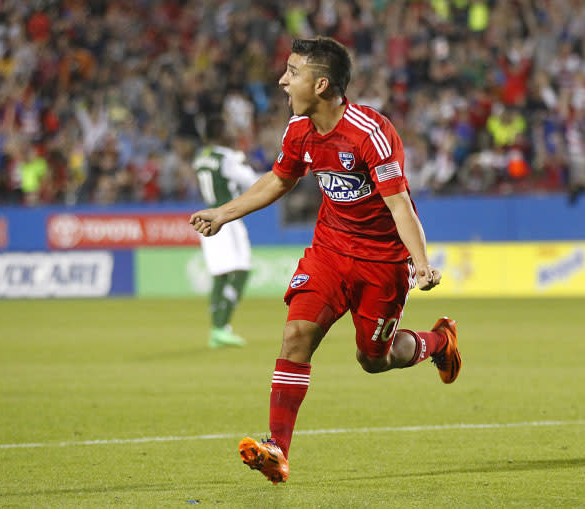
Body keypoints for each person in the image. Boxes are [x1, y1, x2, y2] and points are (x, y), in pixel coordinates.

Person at [190, 37, 462, 483]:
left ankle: (438, 343)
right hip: (330, 253)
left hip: (382, 263)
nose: (282, 80)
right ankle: (277, 449)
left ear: (320, 84)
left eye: (291, 73)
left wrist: (422, 263)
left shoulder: (371, 133)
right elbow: (278, 181)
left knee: (374, 358)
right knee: (296, 334)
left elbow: (399, 206)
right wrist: (224, 213)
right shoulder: (298, 131)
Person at [192, 118, 259, 348]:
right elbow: (251, 181)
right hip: (226, 219)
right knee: (241, 270)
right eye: (227, 129)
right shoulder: (226, 158)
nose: (232, 133)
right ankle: (221, 327)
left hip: (206, 218)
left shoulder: (200, 158)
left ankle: (217, 329)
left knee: (220, 275)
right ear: (220, 134)